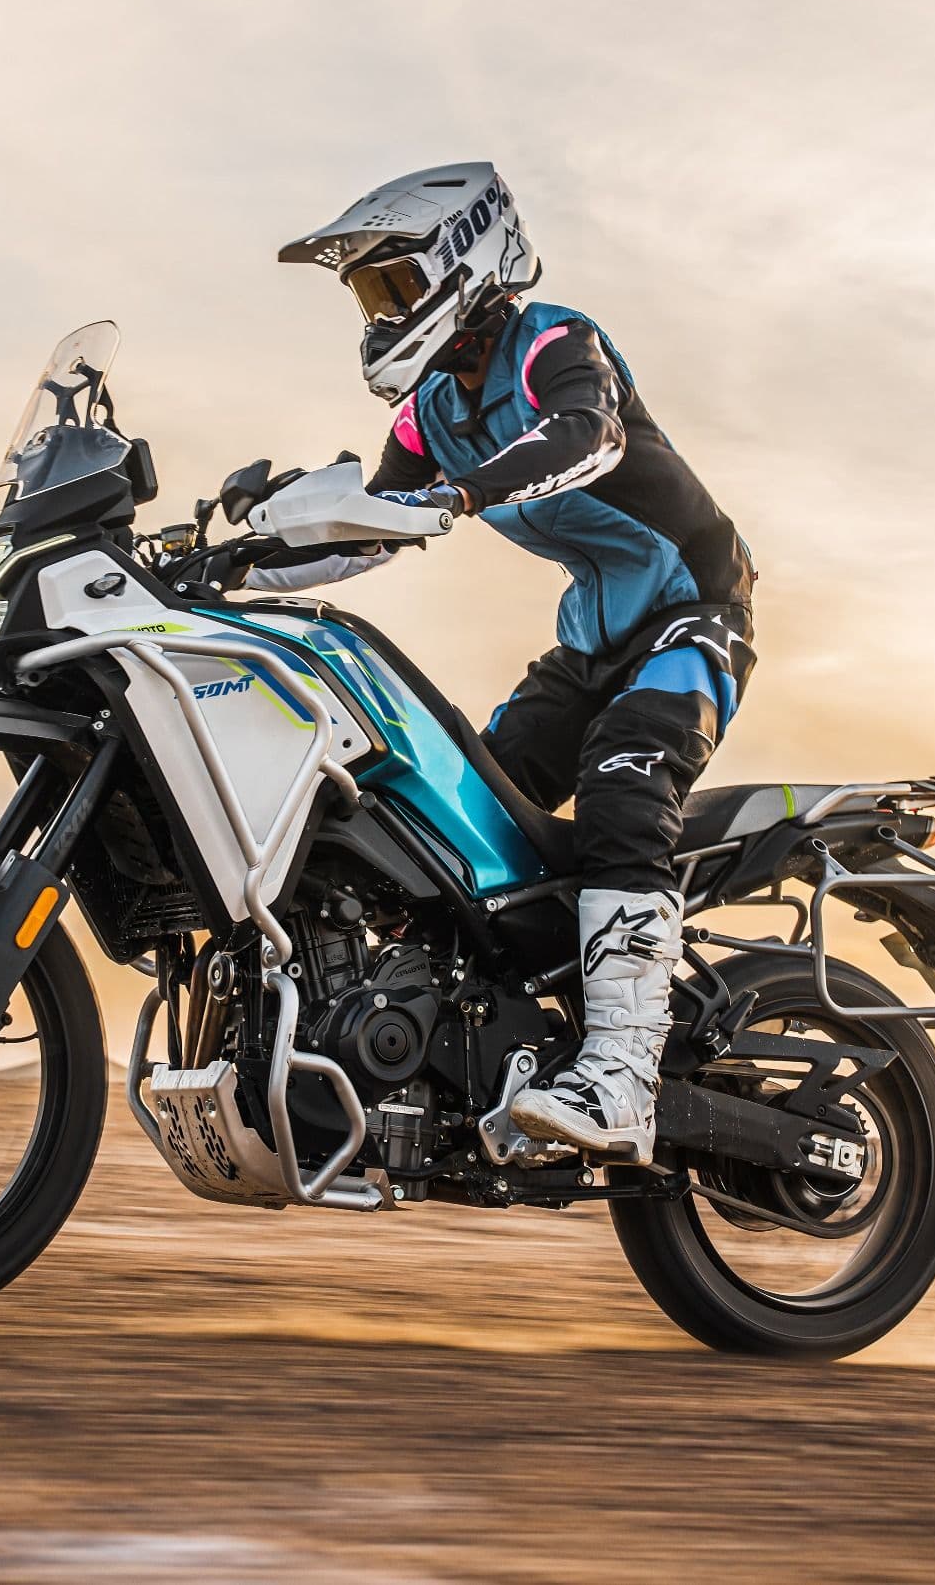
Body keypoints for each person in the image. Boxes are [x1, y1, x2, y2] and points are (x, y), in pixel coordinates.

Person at [271, 163, 755, 1164]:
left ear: (470, 259)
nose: (382, 313)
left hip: (694, 617)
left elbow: (589, 437)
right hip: (592, 643)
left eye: (395, 285)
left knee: (622, 783)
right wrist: (241, 552)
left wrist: (457, 496)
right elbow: (372, 526)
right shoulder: (431, 408)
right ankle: (472, 1045)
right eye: (370, 295)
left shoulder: (555, 344)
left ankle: (621, 1075)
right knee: (451, 812)